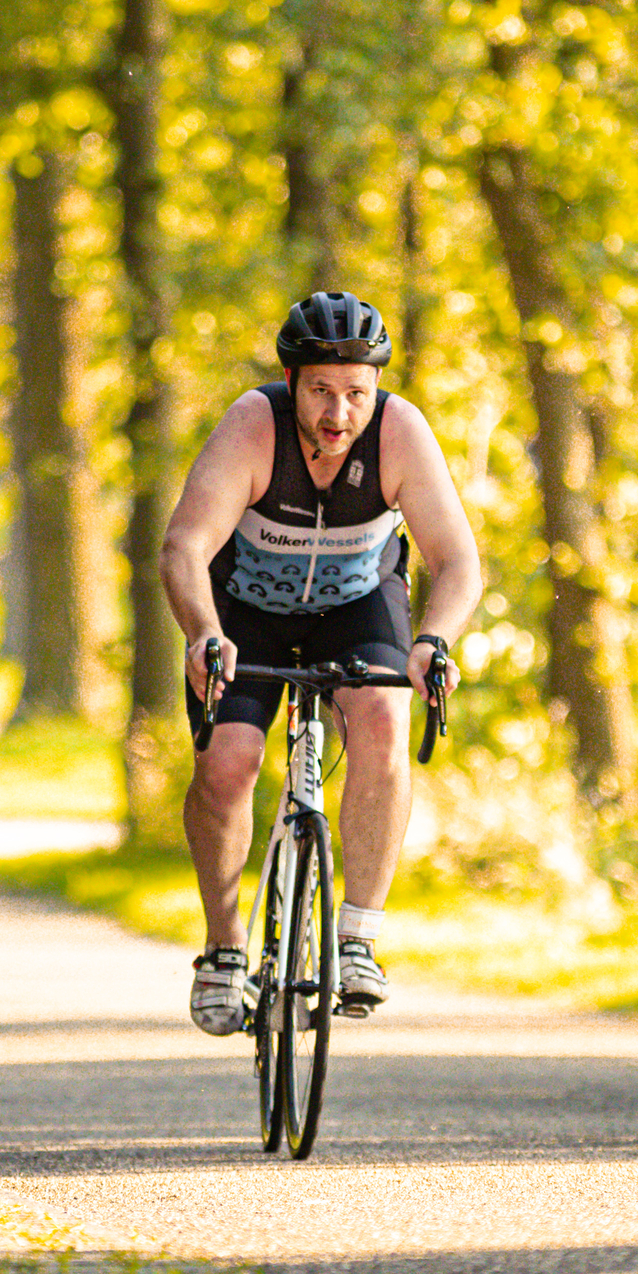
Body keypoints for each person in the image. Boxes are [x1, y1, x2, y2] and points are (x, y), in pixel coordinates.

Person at [161, 290, 483, 1030]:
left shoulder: (400, 433)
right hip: (243, 611)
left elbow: (458, 560)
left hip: (355, 609)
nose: (338, 414)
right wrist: (202, 633)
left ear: (376, 390)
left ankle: (360, 936)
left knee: (379, 719)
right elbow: (184, 546)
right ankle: (223, 947)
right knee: (228, 763)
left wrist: (434, 639)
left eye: (355, 395)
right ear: (291, 382)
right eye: (320, 392)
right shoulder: (252, 426)